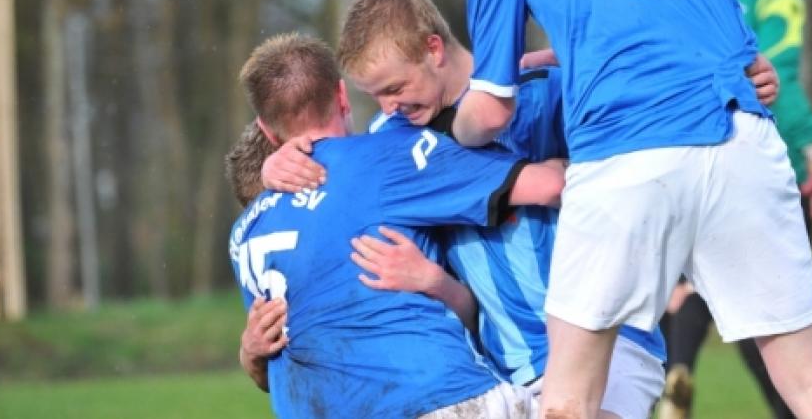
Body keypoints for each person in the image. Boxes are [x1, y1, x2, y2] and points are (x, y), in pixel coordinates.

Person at [450, 0, 812, 418]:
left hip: (627, 151)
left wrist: (456, 128)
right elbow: (677, 11)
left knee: (569, 398)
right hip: (740, 133)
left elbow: (492, 109)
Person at [258, 0, 671, 418]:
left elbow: (658, 148)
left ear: (433, 48)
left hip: (606, 339)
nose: (389, 106)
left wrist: (746, 81)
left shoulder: (548, 94)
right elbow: (339, 192)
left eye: (395, 86)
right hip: (499, 370)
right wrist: (280, 164)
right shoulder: (391, 139)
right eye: (374, 96)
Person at [226, 32, 565, 418]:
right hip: (436, 398)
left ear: (268, 132)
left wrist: (248, 354)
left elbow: (278, 359)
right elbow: (548, 186)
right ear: (341, 95)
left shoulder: (243, 234)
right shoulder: (387, 158)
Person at [656, 0, 812, 419]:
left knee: (700, 280)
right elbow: (777, 75)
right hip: (760, 156)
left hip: (682, 150)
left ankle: (679, 366)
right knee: (774, 306)